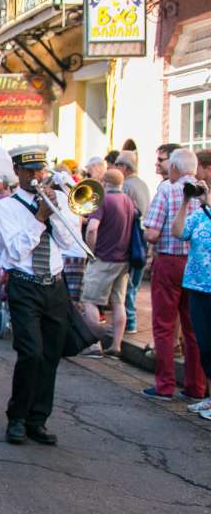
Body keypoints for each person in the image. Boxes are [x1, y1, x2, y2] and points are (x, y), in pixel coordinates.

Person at [0, 145, 79, 446]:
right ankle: (16, 418)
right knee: (31, 353)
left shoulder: (58, 200)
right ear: (17, 172)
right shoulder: (6, 207)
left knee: (51, 355)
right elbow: (15, 251)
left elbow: (69, 240)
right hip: (24, 283)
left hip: (54, 284)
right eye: (29, 171)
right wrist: (39, 218)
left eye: (40, 170)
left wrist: (56, 211)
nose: (36, 177)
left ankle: (37, 419)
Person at [142, 148, 207, 401]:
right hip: (196, 264)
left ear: (175, 168)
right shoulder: (204, 192)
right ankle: (196, 386)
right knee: (193, 328)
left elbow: (152, 234)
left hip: (169, 262)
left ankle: (165, 385)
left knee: (164, 326)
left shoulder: (167, 190)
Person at [80, 170, 134, 357]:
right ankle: (116, 345)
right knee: (119, 302)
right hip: (123, 259)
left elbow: (93, 228)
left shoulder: (103, 200)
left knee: (89, 300)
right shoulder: (128, 200)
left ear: (104, 182)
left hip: (103, 258)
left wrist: (90, 251)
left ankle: (95, 344)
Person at [172, 176, 211, 418]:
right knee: (205, 345)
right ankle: (209, 398)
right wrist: (186, 202)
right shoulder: (198, 216)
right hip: (197, 288)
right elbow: (178, 232)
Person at [114, 151, 150, 334]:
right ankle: (130, 319)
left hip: (132, 238)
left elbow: (123, 215)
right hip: (142, 238)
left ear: (125, 167)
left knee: (127, 283)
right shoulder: (142, 183)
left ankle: (130, 321)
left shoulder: (127, 185)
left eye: (117, 165)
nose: (115, 168)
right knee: (134, 282)